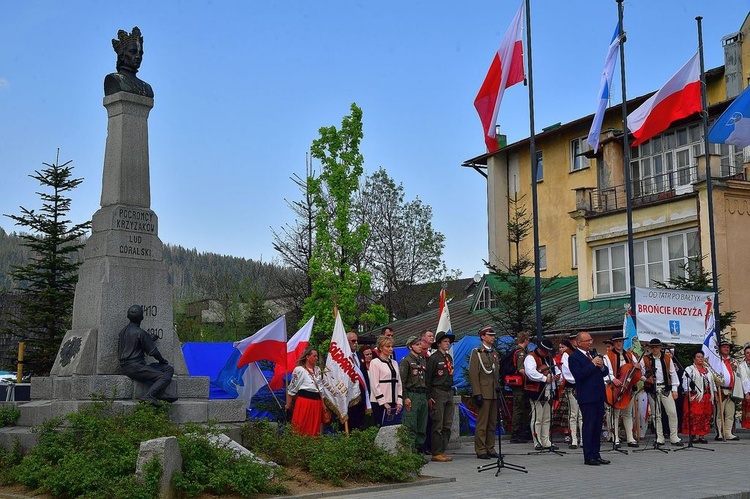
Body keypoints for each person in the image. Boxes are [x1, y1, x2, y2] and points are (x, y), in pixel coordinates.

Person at [118, 304, 176, 407]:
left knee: (168, 369)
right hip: (136, 367)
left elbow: (135, 343)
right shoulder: (140, 332)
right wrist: (162, 360)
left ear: (128, 317)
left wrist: (150, 339)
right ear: (142, 317)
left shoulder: (123, 331)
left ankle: (159, 393)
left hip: (127, 366)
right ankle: (148, 396)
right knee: (164, 377)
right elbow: (153, 352)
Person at [568, 331, 610, 466]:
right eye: (587, 341)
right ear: (579, 343)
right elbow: (579, 375)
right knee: (589, 426)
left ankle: (596, 454)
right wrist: (592, 364)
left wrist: (601, 366)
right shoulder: (574, 357)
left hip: (598, 395)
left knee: (598, 426)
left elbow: (605, 372)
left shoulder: (593, 354)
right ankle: (588, 456)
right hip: (587, 396)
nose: (590, 342)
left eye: (591, 340)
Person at [641, 338, 683, 447]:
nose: (654, 349)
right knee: (656, 415)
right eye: (652, 347)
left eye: (656, 347)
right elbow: (639, 373)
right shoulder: (645, 359)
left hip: (665, 388)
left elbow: (673, 373)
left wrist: (674, 389)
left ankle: (674, 436)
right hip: (653, 389)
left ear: (660, 347)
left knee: (672, 412)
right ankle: (660, 437)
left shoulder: (667, 358)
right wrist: (646, 379)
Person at [469, 326, 501, 459]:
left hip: (493, 392)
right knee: (482, 423)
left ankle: (490, 447)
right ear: (483, 337)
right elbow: (473, 374)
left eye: (493, 335)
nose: (493, 337)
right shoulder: (477, 352)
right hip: (483, 391)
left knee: (492, 422)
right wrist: (477, 393)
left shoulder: (493, 353)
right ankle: (481, 449)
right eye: (490, 335)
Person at [603, 334, 639, 448]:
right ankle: (616, 438)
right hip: (616, 387)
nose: (619, 343)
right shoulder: (607, 356)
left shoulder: (629, 355)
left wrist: (638, 366)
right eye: (617, 341)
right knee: (615, 414)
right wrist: (614, 379)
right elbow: (607, 371)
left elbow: (636, 369)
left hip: (627, 388)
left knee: (628, 413)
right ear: (613, 343)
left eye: (621, 341)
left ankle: (630, 438)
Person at [523, 338, 559, 450]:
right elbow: (530, 373)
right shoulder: (531, 357)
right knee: (537, 418)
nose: (546, 353)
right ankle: (537, 441)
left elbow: (556, 369)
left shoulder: (549, 358)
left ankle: (546, 440)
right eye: (545, 351)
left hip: (549, 390)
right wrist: (545, 378)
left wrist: (557, 376)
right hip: (536, 391)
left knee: (547, 417)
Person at [426, 330, 455, 462]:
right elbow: (428, 378)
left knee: (447, 423)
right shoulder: (433, 358)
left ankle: (443, 449)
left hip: (449, 391)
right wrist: (429, 395)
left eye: (448, 342)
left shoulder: (449, 358)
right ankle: (436, 452)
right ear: (438, 343)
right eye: (445, 341)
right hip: (438, 391)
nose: (447, 344)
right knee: (438, 423)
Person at [104, 27, 154, 98]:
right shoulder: (114, 79)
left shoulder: (147, 88)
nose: (138, 56)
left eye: (140, 53)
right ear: (122, 56)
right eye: (132, 52)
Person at [285, 346, 324, 436]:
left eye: (317, 356)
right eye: (314, 356)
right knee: (301, 425)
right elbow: (292, 389)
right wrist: (288, 405)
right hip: (305, 402)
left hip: (317, 402)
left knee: (314, 427)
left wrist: (323, 404)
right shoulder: (299, 370)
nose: (316, 358)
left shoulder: (317, 370)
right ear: (307, 357)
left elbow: (321, 388)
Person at [399, 335, 428, 451]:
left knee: (422, 424)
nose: (420, 346)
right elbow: (402, 381)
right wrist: (405, 397)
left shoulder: (422, 360)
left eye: (420, 344)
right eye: (417, 344)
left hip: (422, 394)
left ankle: (419, 449)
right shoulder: (406, 361)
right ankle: (411, 452)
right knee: (411, 424)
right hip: (412, 394)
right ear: (410, 347)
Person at [681, 350, 716, 443]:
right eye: (698, 357)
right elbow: (685, 382)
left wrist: (714, 393)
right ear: (694, 359)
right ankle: (694, 435)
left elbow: (712, 383)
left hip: (707, 396)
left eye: (702, 357)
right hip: (695, 396)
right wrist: (688, 393)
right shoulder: (690, 369)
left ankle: (702, 435)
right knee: (695, 415)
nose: (700, 359)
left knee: (705, 415)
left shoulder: (708, 370)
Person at [369, 335, 403, 427]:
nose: (391, 349)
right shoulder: (375, 362)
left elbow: (399, 383)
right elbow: (374, 384)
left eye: (392, 346)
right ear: (381, 347)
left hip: (394, 402)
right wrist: (383, 402)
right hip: (380, 402)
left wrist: (399, 401)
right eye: (388, 346)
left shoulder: (394, 363)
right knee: (380, 426)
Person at [714, 340, 741, 440]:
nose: (726, 349)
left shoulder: (733, 361)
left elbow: (738, 375)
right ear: (720, 348)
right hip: (721, 389)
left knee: (730, 413)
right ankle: (720, 433)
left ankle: (728, 432)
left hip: (732, 390)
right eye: (724, 347)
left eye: (728, 347)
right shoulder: (716, 360)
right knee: (719, 413)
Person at [509, 332, 533, 443]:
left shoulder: (517, 350)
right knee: (519, 408)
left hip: (521, 385)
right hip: (520, 385)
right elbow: (521, 369)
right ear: (526, 340)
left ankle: (521, 431)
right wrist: (532, 375)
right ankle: (516, 432)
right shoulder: (520, 353)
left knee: (522, 408)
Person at [560, 337, 583, 449]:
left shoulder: (584, 353)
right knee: (573, 414)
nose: (575, 342)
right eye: (573, 340)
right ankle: (574, 439)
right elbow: (567, 372)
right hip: (573, 386)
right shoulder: (567, 354)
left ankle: (583, 439)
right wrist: (580, 377)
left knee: (582, 415)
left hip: (583, 386)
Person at [347, 332, 367, 431]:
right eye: (353, 341)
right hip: (349, 397)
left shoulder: (360, 356)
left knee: (361, 424)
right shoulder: (343, 358)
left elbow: (365, 376)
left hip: (361, 395)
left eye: (357, 341)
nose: (356, 343)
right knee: (349, 425)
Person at [739, 344, 750, 430]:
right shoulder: (741, 366)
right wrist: (746, 393)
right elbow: (743, 380)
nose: (749, 354)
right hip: (748, 391)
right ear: (745, 354)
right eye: (747, 353)